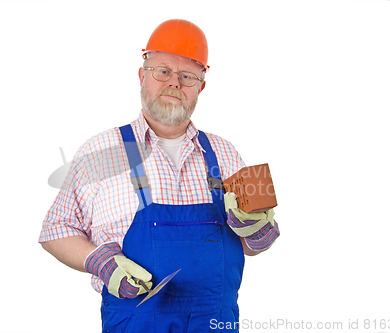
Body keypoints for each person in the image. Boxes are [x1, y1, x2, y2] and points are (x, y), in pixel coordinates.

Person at [39, 19, 280, 333]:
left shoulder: (227, 154)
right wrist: (98, 260)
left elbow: (254, 243)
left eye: (187, 76)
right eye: (163, 71)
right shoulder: (101, 150)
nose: (175, 84)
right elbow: (54, 229)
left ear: (201, 86)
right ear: (142, 75)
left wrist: (258, 232)